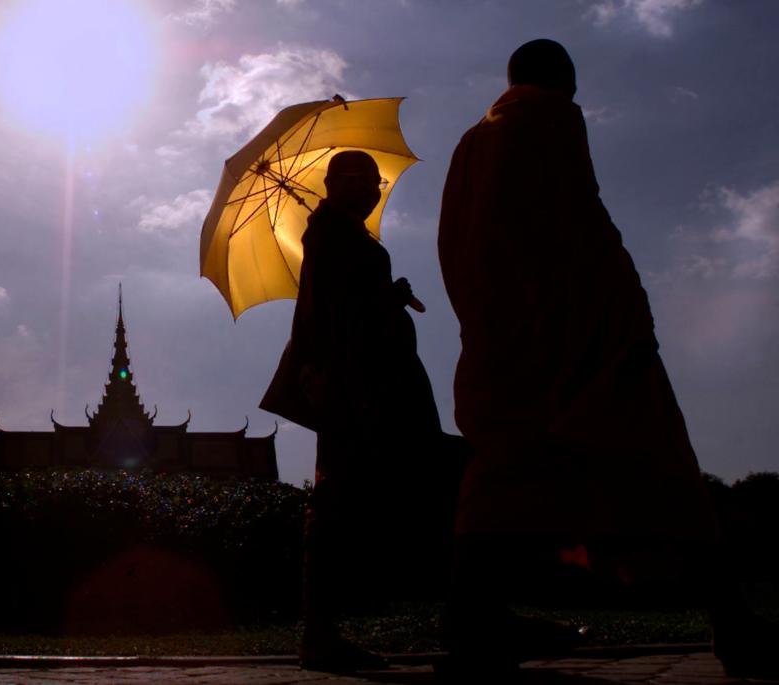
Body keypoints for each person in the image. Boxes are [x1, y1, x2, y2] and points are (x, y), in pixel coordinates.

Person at [436, 39, 774, 678]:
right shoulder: (549, 115)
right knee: (667, 473)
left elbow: (461, 244)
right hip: (584, 336)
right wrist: (621, 320)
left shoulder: (470, 144)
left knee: (501, 478)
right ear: (562, 79)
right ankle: (732, 623)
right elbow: (576, 228)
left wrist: (490, 327)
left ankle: (473, 615)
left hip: (502, 341)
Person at [263, 150, 463, 672]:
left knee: (413, 497)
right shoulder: (329, 236)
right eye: (357, 179)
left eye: (373, 180)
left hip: (380, 387)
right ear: (333, 185)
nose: (370, 188)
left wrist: (386, 295)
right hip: (359, 391)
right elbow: (330, 316)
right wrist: (381, 301)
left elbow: (353, 305)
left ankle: (461, 613)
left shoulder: (348, 236)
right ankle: (323, 632)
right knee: (345, 505)